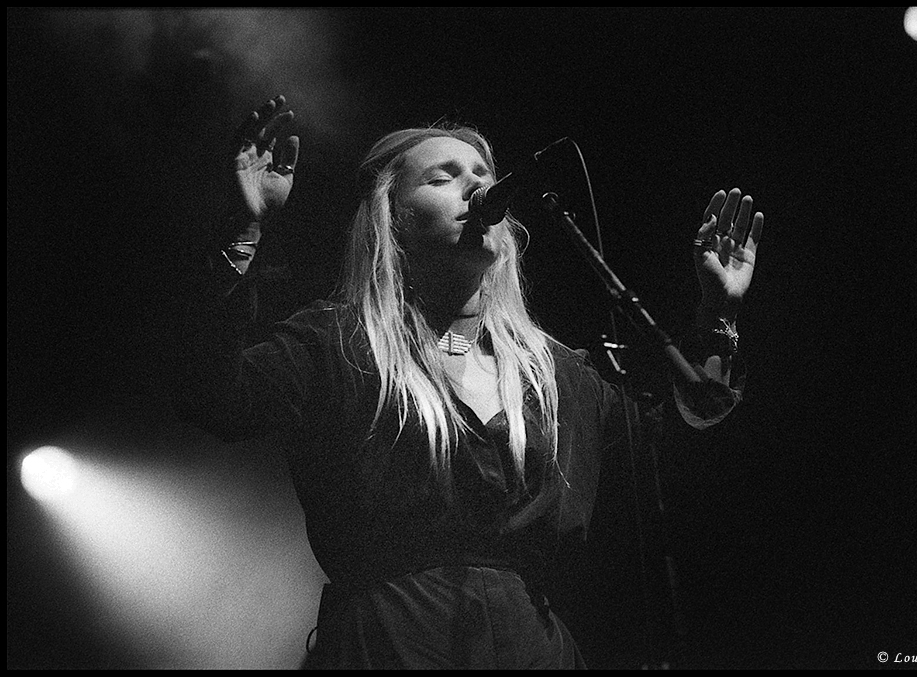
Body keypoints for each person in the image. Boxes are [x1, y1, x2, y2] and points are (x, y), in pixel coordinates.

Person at [174, 94, 764, 669]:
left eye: (483, 176)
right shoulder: (337, 345)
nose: (476, 189)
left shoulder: (556, 374)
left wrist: (719, 314)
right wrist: (243, 227)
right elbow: (215, 396)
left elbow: (678, 440)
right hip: (392, 643)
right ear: (393, 219)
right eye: (443, 178)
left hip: (533, 648)